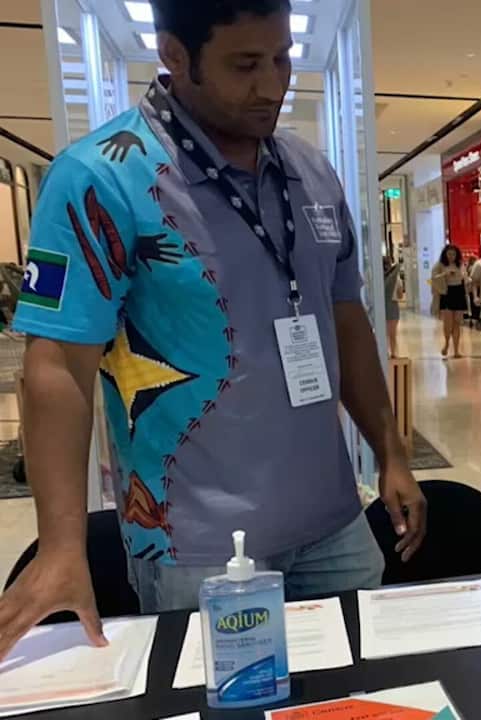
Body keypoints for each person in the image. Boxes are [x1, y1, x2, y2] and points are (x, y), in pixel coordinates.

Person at [0, 0, 426, 657]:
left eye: (282, 58)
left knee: (358, 693)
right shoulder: (101, 177)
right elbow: (56, 364)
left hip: (334, 522)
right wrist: (62, 544)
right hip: (196, 549)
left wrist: (391, 449)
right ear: (174, 56)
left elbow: (344, 317)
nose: (272, 84)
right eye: (245, 64)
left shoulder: (309, 171)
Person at [432, 244, 468, 358]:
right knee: (448, 322)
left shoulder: (460, 264)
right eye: (449, 254)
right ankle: (447, 343)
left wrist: (463, 276)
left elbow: (465, 276)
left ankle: (456, 350)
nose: (451, 256)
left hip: (458, 292)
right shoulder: (439, 265)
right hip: (446, 293)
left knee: (457, 322)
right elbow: (433, 278)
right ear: (445, 254)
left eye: (453, 254)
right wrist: (445, 274)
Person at [383, 255, 402, 358]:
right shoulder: (396, 278)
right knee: (392, 333)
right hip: (393, 306)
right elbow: (400, 295)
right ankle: (393, 353)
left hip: (383, 307)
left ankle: (385, 352)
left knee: (384, 332)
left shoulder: (376, 279)